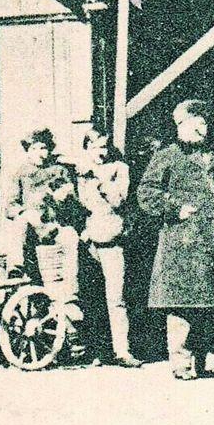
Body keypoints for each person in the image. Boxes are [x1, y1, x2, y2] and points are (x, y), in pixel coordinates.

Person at [137, 99, 214, 380]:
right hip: (183, 242)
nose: (202, 129)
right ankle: (181, 362)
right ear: (182, 125)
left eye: (204, 123)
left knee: (211, 303)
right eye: (196, 124)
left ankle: (208, 360)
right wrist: (175, 207)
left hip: (213, 241)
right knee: (182, 305)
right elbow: (146, 192)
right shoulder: (167, 156)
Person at [77, 129, 138, 366]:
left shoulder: (119, 169)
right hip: (88, 240)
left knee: (116, 297)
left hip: (112, 239)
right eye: (95, 148)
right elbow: (77, 204)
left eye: (104, 147)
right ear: (87, 149)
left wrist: (100, 179)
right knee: (90, 297)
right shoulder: (80, 172)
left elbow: (119, 199)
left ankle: (122, 350)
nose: (101, 152)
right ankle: (96, 351)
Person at [2, 129, 81, 288]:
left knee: (71, 236)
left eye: (43, 148)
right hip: (31, 228)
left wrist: (65, 197)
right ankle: (15, 268)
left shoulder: (60, 171)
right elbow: (10, 206)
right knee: (20, 221)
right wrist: (25, 213)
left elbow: (74, 204)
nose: (39, 153)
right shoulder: (21, 173)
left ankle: (72, 290)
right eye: (34, 149)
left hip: (54, 224)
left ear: (49, 149)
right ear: (28, 151)